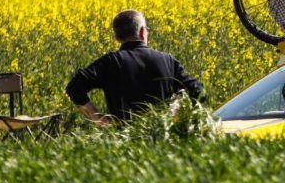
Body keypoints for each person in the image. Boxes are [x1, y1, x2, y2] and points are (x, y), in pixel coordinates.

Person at [66, 10, 204, 125]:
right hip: (163, 138)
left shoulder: (111, 62)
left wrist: (99, 119)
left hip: (125, 140)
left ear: (117, 38)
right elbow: (198, 91)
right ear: (142, 31)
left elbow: (74, 88)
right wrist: (176, 109)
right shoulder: (167, 60)